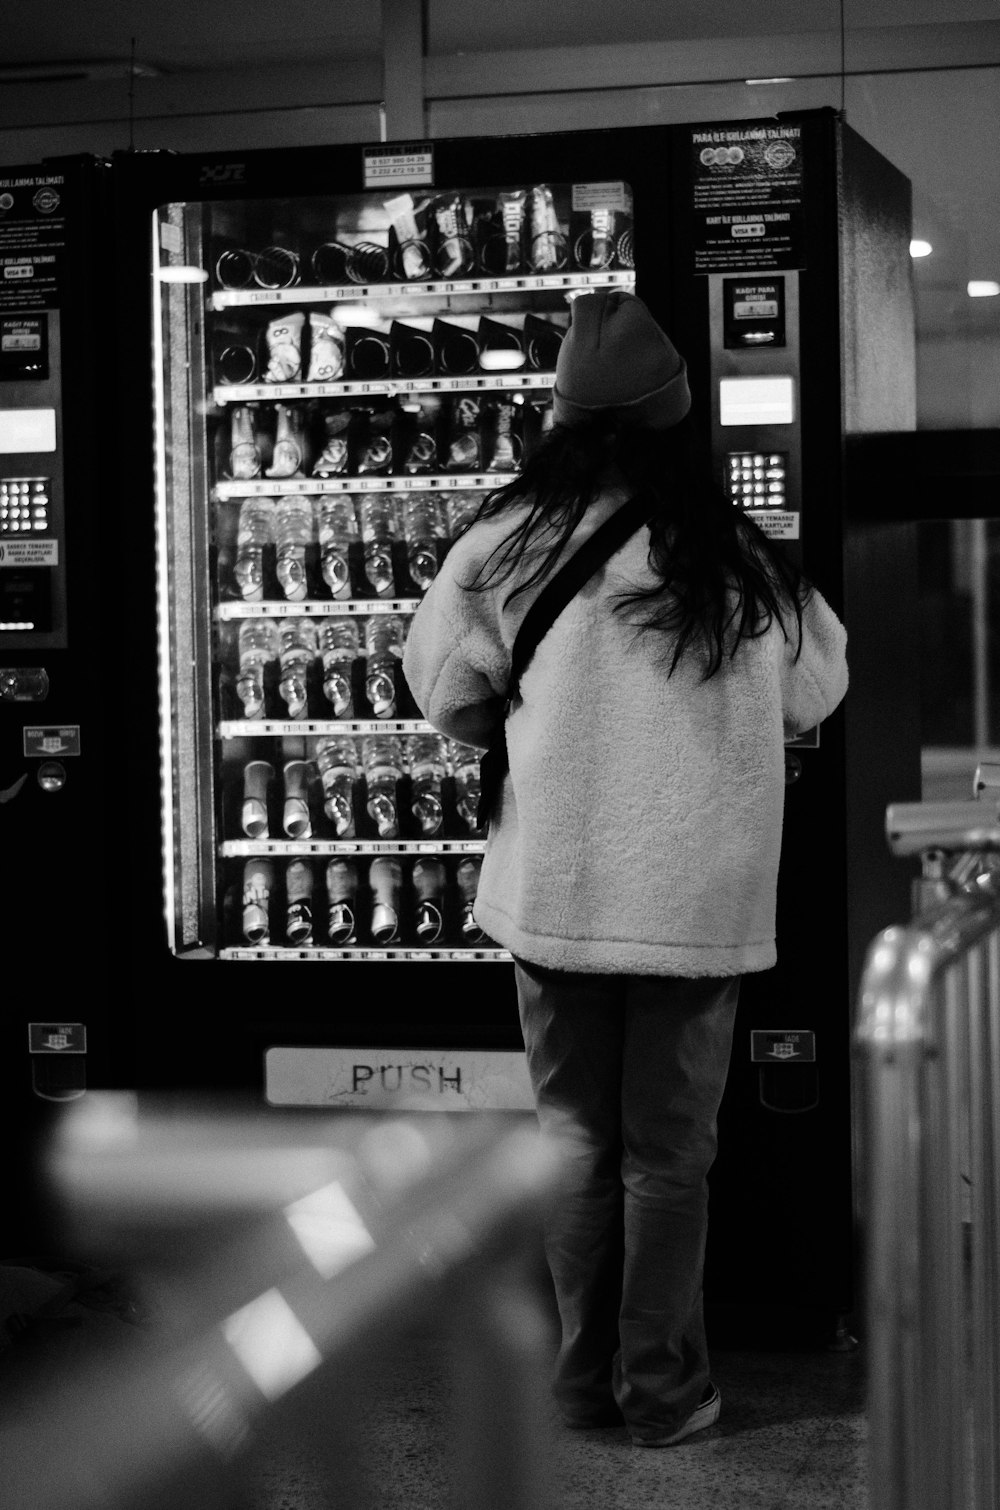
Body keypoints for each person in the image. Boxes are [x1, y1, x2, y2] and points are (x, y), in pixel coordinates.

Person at [401, 289, 848, 1447]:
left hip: (555, 896)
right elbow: (819, 687)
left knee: (573, 1143)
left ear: (558, 415)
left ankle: (571, 1385)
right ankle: (663, 1390)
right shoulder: (738, 556)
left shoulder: (504, 544)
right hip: (697, 910)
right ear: (677, 417)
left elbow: (444, 694)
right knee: (670, 1158)